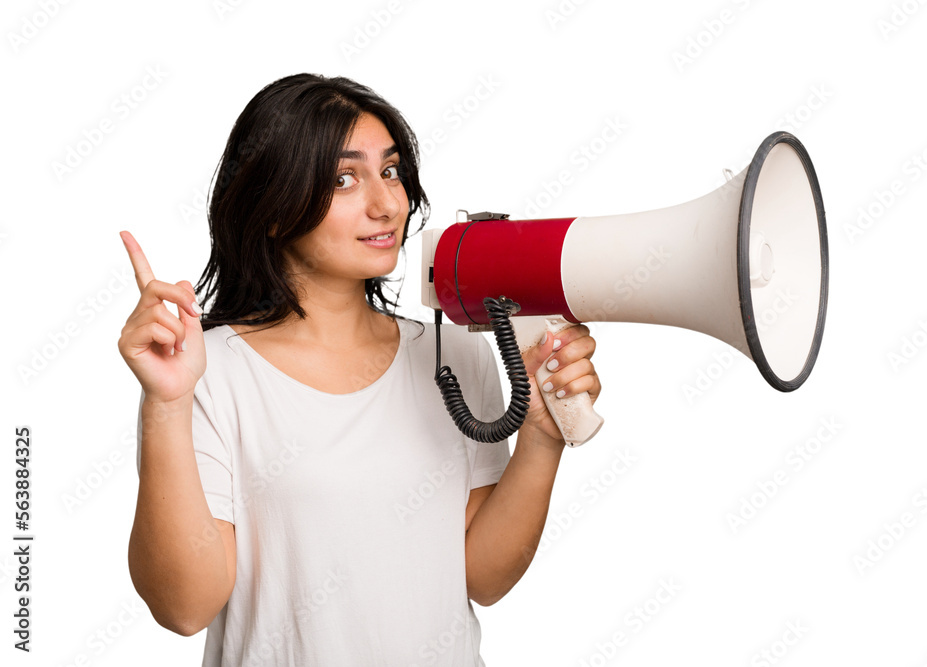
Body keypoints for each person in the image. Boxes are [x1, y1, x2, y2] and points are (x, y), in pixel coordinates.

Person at [118, 73, 601, 666]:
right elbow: (184, 607)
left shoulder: (455, 352)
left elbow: (482, 576)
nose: (387, 204)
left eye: (391, 171)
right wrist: (166, 403)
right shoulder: (207, 373)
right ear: (272, 210)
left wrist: (541, 436)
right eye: (344, 179)